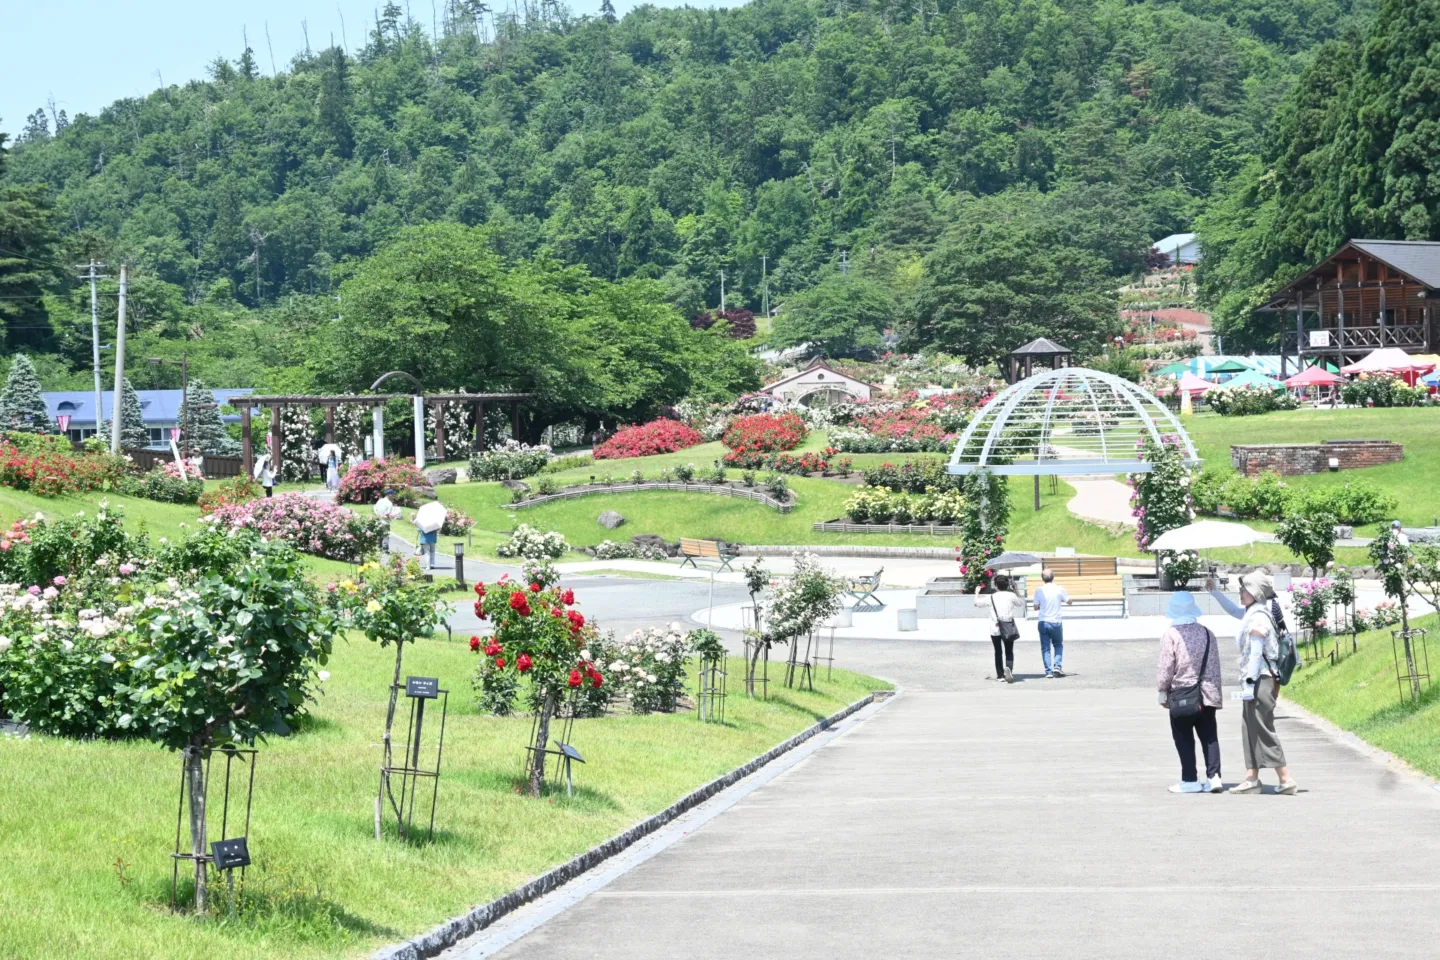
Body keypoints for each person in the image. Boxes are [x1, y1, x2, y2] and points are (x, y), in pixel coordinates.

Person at [1209, 571, 1298, 795]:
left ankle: (1286, 778)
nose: (1241, 592)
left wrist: (1249, 682)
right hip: (1257, 680)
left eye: (1244, 589)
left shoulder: (1258, 617)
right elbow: (1232, 610)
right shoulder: (1253, 612)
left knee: (1263, 727)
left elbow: (1257, 653)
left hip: (1261, 680)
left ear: (1256, 593)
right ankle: (1252, 777)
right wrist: (1214, 592)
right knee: (1249, 727)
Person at [1156, 592, 1223, 794]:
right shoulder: (1208, 633)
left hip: (1182, 694)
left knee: (1183, 737)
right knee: (1209, 736)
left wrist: (1162, 689)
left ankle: (1190, 779)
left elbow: (1166, 666)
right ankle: (1214, 777)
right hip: (1207, 694)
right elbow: (1214, 665)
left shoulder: (1172, 634)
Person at [981, 574, 1025, 683]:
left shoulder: (991, 597)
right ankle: (1008, 668)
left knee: (998, 651)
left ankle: (1000, 675)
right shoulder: (1011, 595)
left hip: (995, 627)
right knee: (1009, 650)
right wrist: (1016, 589)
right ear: (1007, 585)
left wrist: (977, 593)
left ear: (996, 585)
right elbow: (1021, 603)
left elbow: (977, 603)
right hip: (1008, 626)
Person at [1032, 569, 1072, 678]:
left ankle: (1048, 671)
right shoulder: (1059, 589)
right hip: (1056, 621)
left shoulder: (1039, 590)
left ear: (1042, 578)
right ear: (1053, 577)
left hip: (1043, 621)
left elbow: (1035, 607)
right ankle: (1057, 667)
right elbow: (1069, 601)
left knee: (1045, 648)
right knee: (1058, 644)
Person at [373, 488, 402, 554]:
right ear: (389, 495)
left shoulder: (379, 501)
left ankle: (378, 548)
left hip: (378, 521)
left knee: (379, 535)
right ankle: (385, 549)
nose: (393, 496)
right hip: (385, 522)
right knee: (385, 535)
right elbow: (388, 514)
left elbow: (375, 509)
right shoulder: (389, 503)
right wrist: (394, 515)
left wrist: (378, 515)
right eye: (392, 494)